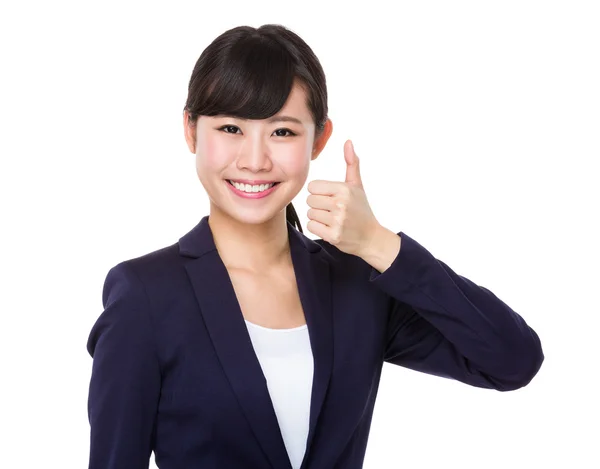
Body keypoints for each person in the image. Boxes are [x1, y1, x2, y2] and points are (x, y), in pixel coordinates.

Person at [86, 24, 544, 469]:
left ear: (318, 139)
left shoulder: (357, 284)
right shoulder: (145, 296)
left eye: (282, 132)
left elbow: (512, 360)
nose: (254, 159)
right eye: (230, 128)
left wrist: (381, 245)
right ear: (190, 130)